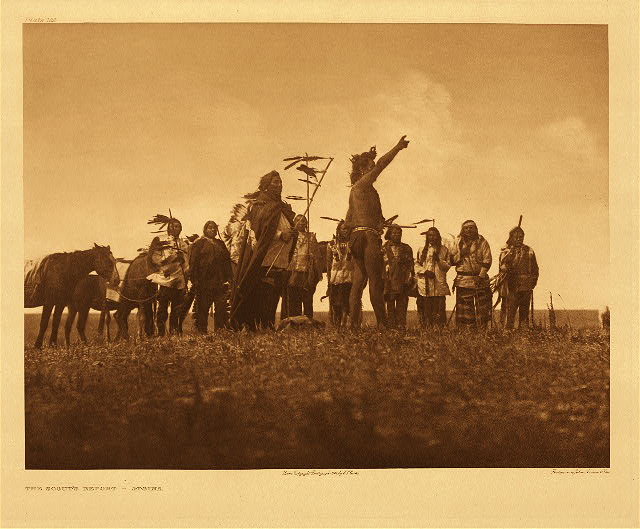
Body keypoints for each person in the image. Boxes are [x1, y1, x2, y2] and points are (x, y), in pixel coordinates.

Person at [344, 136, 410, 328]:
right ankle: (383, 323)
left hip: (357, 237)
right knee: (375, 281)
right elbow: (382, 164)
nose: (374, 169)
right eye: (370, 167)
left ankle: (354, 325)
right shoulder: (363, 185)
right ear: (364, 169)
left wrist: (379, 223)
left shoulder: (358, 191)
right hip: (367, 237)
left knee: (358, 281)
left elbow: (349, 221)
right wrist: (397, 147)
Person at [226, 170, 296, 330]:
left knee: (274, 295)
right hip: (266, 258)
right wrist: (280, 235)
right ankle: (261, 325)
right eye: (275, 182)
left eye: (280, 182)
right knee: (264, 294)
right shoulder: (260, 206)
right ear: (265, 186)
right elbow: (259, 231)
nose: (279, 185)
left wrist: (292, 231)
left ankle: (267, 325)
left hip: (281, 258)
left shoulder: (281, 207)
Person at [188, 220, 233, 333]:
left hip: (220, 281)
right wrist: (195, 280)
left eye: (214, 228)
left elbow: (227, 262)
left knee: (221, 308)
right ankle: (202, 332)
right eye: (210, 228)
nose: (213, 230)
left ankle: (220, 332)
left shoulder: (220, 244)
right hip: (204, 282)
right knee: (202, 309)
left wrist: (229, 278)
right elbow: (193, 262)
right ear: (205, 229)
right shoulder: (199, 244)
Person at [450, 220, 492, 328]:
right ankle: (466, 332)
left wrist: (480, 276)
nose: (469, 230)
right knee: (464, 308)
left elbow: (487, 260)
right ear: (462, 230)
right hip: (463, 280)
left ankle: (483, 331)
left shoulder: (482, 242)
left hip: (480, 279)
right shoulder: (457, 242)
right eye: (466, 228)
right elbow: (451, 260)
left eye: (471, 228)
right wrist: (462, 253)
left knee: (482, 307)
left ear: (476, 229)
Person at [281, 214, 323, 319]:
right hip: (293, 271)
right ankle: (294, 322)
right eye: (298, 221)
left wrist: (317, 271)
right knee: (294, 298)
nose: (301, 223)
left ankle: (308, 321)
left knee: (308, 298)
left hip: (307, 272)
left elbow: (317, 255)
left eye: (303, 221)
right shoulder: (291, 236)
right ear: (294, 222)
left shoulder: (311, 237)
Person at [498, 226, 539, 329]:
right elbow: (502, 268)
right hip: (511, 287)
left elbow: (535, 269)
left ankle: (523, 335)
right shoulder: (506, 251)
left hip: (526, 286)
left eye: (521, 236)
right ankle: (507, 334)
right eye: (516, 237)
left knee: (524, 313)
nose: (519, 239)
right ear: (511, 237)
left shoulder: (529, 251)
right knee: (509, 313)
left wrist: (532, 283)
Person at [155, 218, 190, 335]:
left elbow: (187, 264)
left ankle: (174, 333)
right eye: (172, 226)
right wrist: (171, 259)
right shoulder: (162, 243)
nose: (174, 229)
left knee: (176, 309)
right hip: (166, 280)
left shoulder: (184, 245)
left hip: (179, 281)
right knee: (162, 309)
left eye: (177, 226)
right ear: (168, 228)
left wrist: (182, 259)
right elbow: (157, 260)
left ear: (181, 229)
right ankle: (160, 333)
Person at [415, 226, 452, 327]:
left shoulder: (444, 250)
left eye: (434, 235)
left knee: (439, 308)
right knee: (425, 309)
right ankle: (426, 330)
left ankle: (439, 331)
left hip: (439, 284)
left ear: (438, 236)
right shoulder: (422, 250)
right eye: (430, 235)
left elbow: (447, 267)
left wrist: (438, 260)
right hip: (425, 285)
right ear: (427, 237)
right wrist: (425, 271)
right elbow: (416, 265)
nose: (432, 237)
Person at [381, 224, 414, 329]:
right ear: (389, 234)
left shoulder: (406, 248)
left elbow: (411, 264)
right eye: (394, 233)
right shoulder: (384, 248)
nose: (397, 235)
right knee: (390, 303)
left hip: (402, 279)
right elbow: (380, 264)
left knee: (402, 302)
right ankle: (391, 326)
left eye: (399, 233)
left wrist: (409, 276)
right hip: (389, 280)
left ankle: (401, 325)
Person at [326, 220, 353, 327]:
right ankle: (337, 324)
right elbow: (328, 263)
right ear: (339, 230)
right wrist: (329, 279)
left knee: (348, 302)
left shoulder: (353, 243)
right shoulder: (331, 244)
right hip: (335, 278)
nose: (345, 231)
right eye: (343, 228)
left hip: (349, 277)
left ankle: (347, 323)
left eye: (347, 228)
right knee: (336, 303)